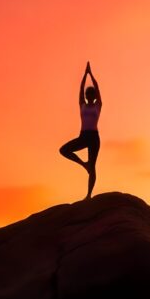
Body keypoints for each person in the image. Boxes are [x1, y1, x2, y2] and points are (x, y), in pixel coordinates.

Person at [59, 61, 102, 199]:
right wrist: (85, 75)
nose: (89, 97)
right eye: (87, 95)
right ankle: (84, 164)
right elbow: (81, 89)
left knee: (93, 166)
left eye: (91, 95)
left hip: (94, 137)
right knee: (64, 150)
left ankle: (89, 195)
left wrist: (91, 74)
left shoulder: (98, 106)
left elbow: (97, 87)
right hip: (83, 136)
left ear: (94, 97)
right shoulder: (82, 105)